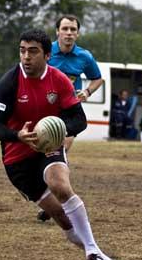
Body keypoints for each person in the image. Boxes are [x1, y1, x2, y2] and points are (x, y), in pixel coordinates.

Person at [0, 28, 126, 260]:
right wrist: (17, 135)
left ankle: (92, 256)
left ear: (47, 55)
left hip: (49, 146)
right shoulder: (8, 83)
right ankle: (101, 257)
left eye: (33, 51)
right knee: (64, 220)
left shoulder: (60, 80)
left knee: (60, 185)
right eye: (22, 51)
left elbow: (79, 119)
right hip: (17, 160)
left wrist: (60, 130)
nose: (26, 57)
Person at [37, 14, 104, 223]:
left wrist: (87, 92)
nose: (69, 33)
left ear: (78, 33)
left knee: (60, 151)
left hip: (68, 111)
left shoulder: (84, 56)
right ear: (57, 31)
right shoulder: (46, 52)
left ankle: (56, 198)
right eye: (65, 29)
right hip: (44, 108)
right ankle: (48, 195)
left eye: (73, 30)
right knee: (41, 155)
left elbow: (98, 78)